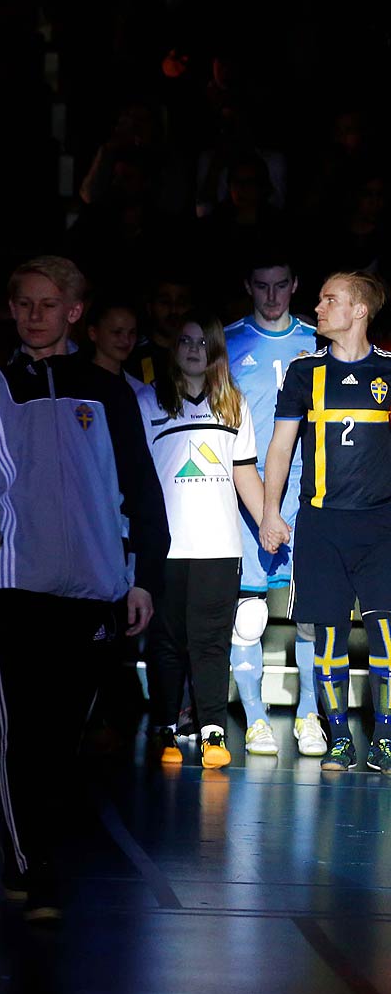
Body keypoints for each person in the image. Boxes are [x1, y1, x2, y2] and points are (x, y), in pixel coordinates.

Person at [0, 255, 167, 921]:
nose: (35, 315)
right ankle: (28, 862)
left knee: (65, 733)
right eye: (24, 304)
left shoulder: (107, 391)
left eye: (49, 304)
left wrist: (144, 578)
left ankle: (41, 845)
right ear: (11, 311)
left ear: (74, 312)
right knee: (25, 730)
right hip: (17, 584)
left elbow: (141, 492)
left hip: (96, 588)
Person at [260, 272, 391, 774]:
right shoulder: (304, 372)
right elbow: (280, 446)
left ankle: (384, 738)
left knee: (386, 633)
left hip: (381, 528)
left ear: (359, 311)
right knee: (330, 635)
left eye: (329, 299)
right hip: (321, 525)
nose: (317, 307)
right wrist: (272, 513)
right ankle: (339, 738)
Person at [136, 314, 266, 769]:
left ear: (215, 353)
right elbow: (135, 479)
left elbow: (244, 470)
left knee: (211, 642)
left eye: (202, 344)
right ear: (174, 349)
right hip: (167, 548)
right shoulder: (149, 401)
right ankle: (165, 727)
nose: (193, 350)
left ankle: (213, 729)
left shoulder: (234, 406)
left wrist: (268, 519)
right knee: (167, 642)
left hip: (219, 546)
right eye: (186, 341)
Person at [225, 252, 322, 756]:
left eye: (280, 285)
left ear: (294, 284)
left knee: (310, 609)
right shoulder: (226, 342)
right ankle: (257, 718)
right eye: (261, 286)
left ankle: (309, 715)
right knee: (249, 614)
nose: (270, 296)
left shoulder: (317, 342)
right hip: (246, 492)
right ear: (248, 286)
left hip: (310, 494)